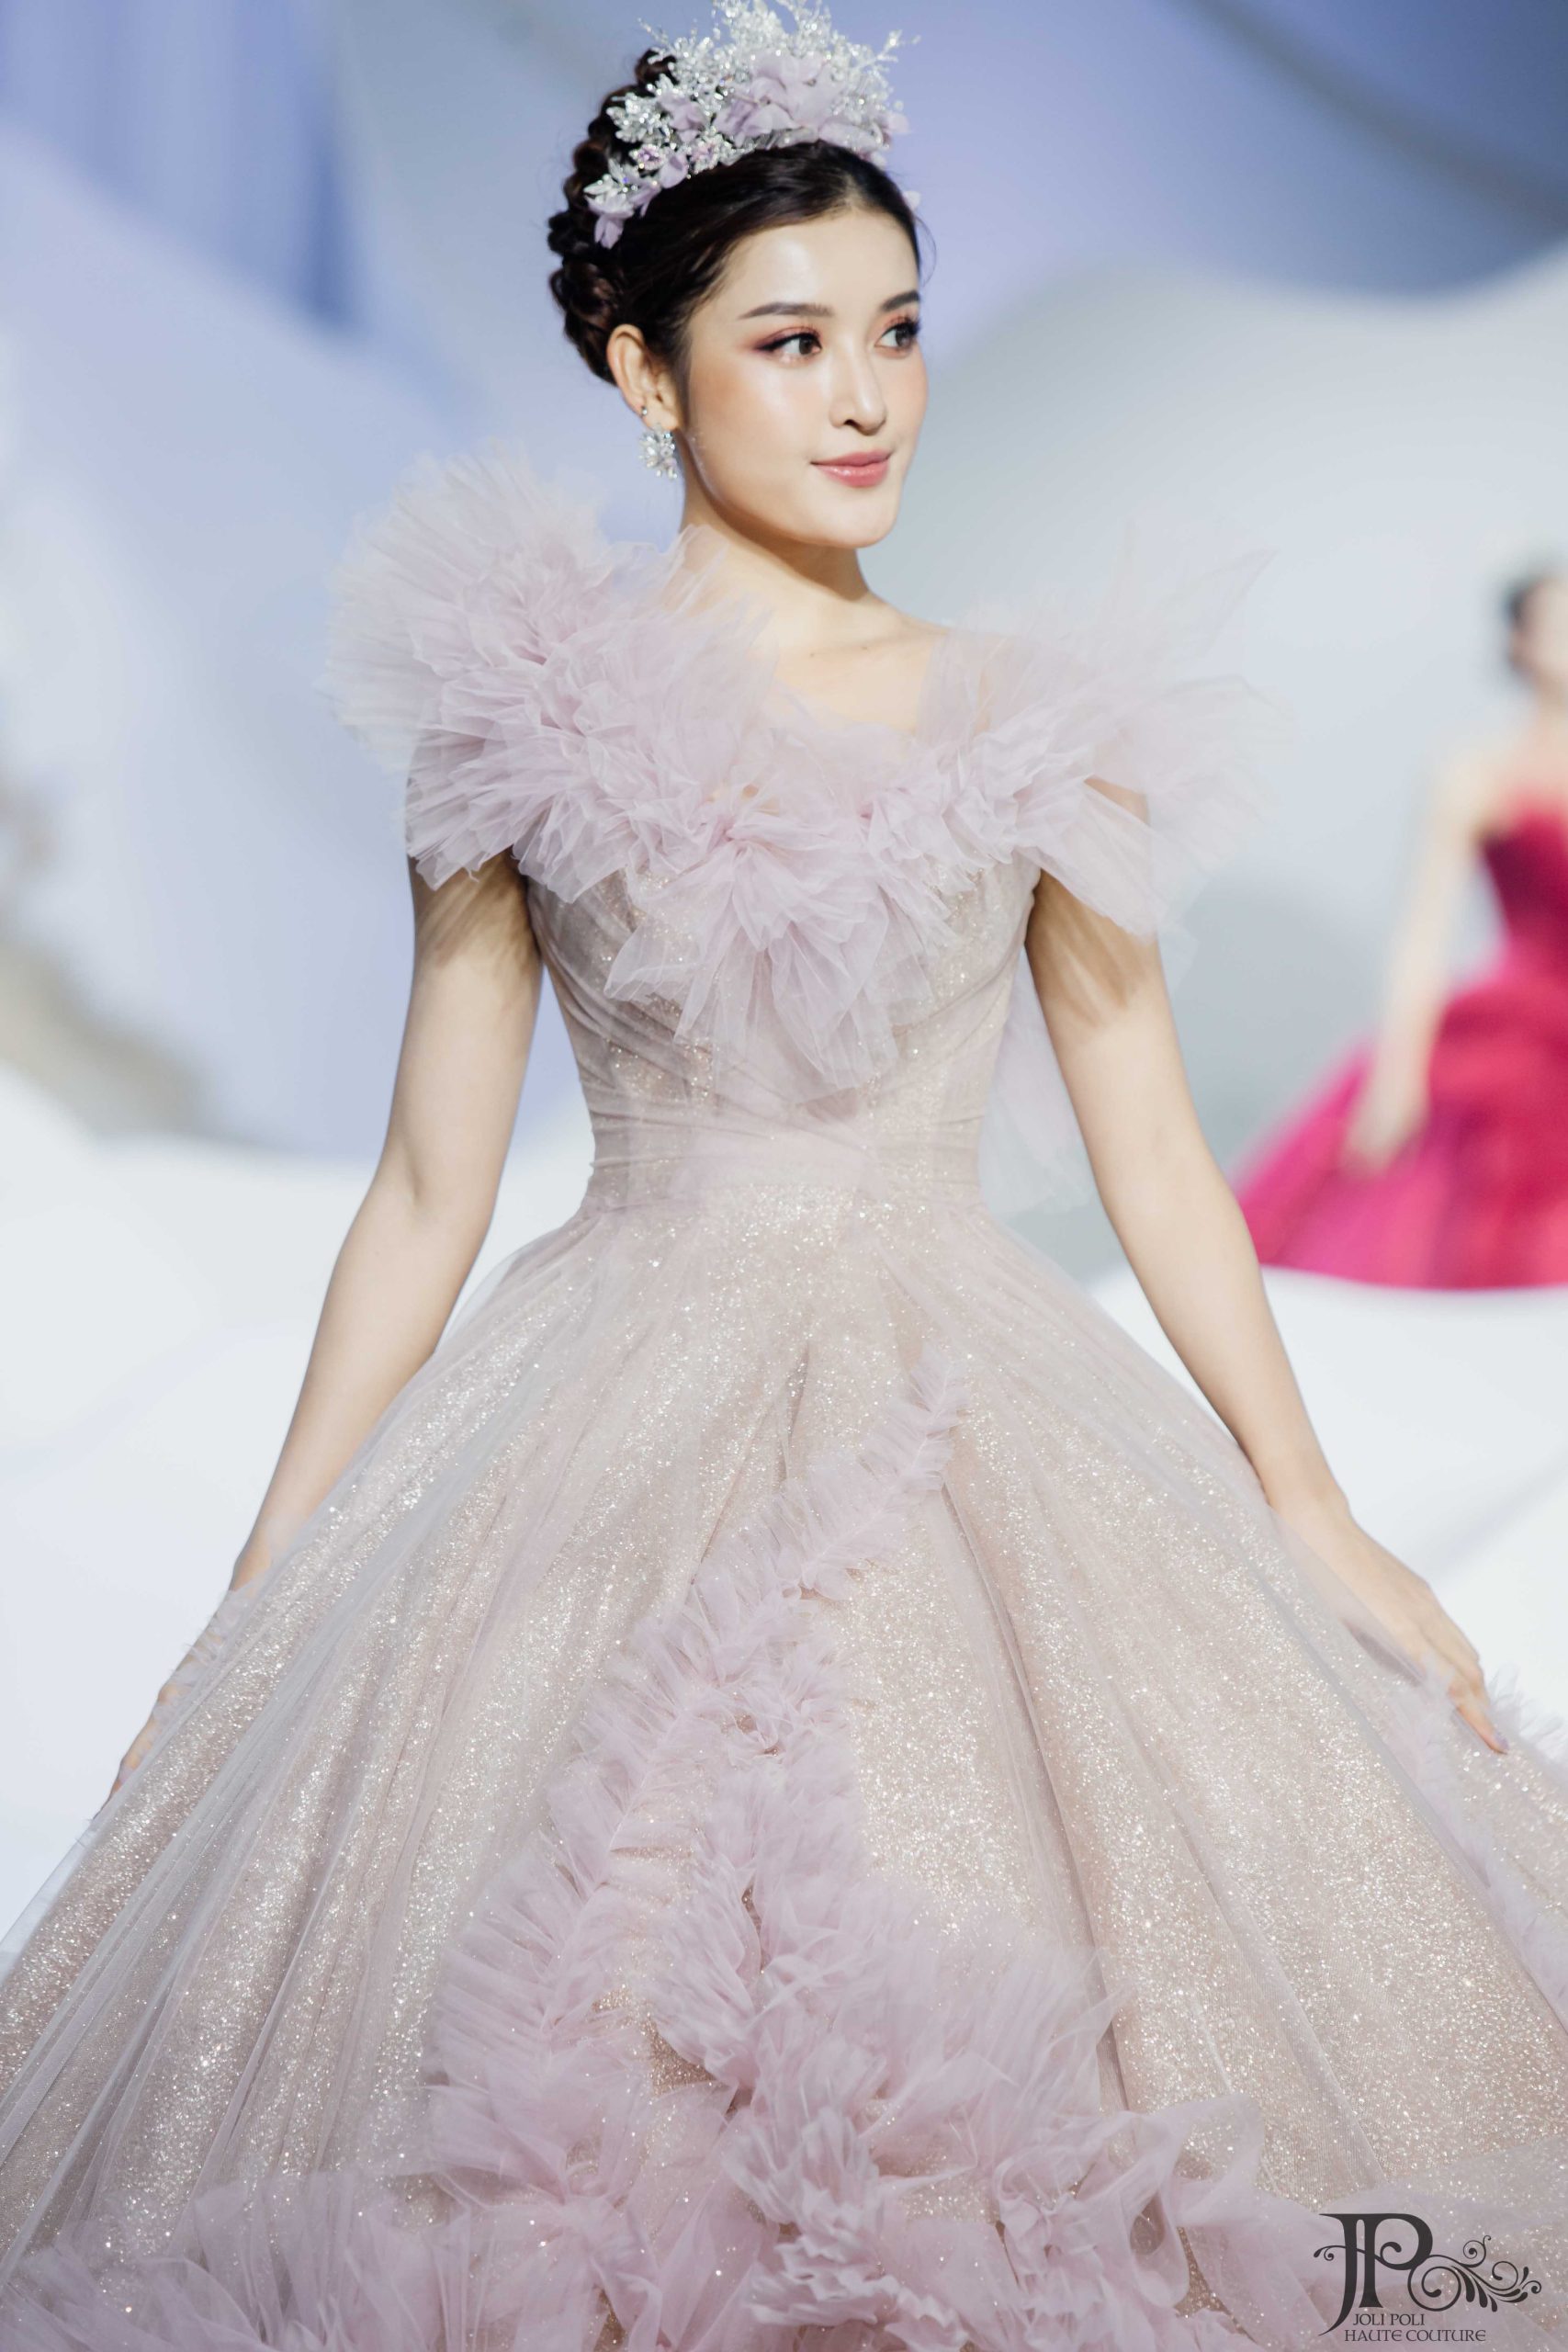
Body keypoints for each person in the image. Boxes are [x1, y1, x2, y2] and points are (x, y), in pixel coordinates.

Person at [3, 7, 1568, 2345]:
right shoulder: (517, 714)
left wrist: (1309, 1508)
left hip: (974, 1410)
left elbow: (1152, 1147)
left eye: (897, 332)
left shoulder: (1033, 717)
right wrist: (267, 1575)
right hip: (591, 1419)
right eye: (791, 339)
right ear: (642, 371)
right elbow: (427, 1183)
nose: (865, 398)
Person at [1235, 571, 1568, 1288]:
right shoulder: (1476, 773)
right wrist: (1398, 1073)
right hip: (1519, 1041)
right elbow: (1422, 934)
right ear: (1520, 643)